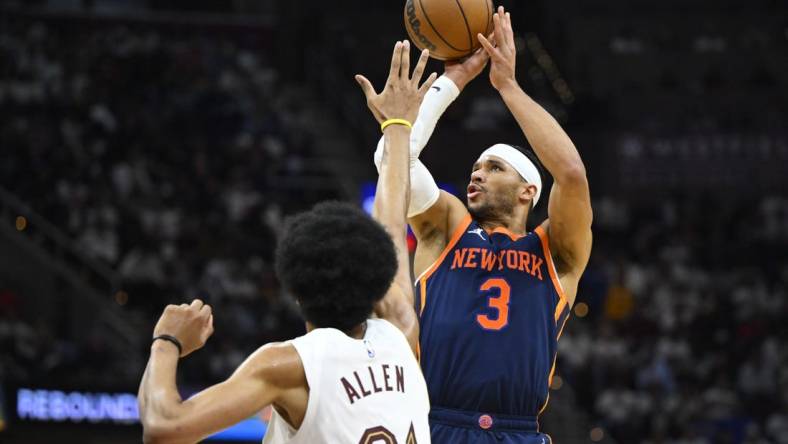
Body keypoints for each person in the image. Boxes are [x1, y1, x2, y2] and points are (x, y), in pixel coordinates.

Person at [138, 40, 437, 444]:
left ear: (294, 290)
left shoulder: (288, 364)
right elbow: (391, 226)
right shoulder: (400, 334)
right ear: (378, 280)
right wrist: (398, 126)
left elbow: (163, 428)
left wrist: (166, 341)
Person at [371, 7, 593, 443]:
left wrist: (507, 85)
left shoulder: (556, 251)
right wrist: (451, 82)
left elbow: (570, 173)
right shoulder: (447, 226)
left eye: (493, 168)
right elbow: (392, 161)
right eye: (475, 167)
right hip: (437, 422)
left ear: (529, 190)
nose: (476, 174)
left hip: (518, 432)